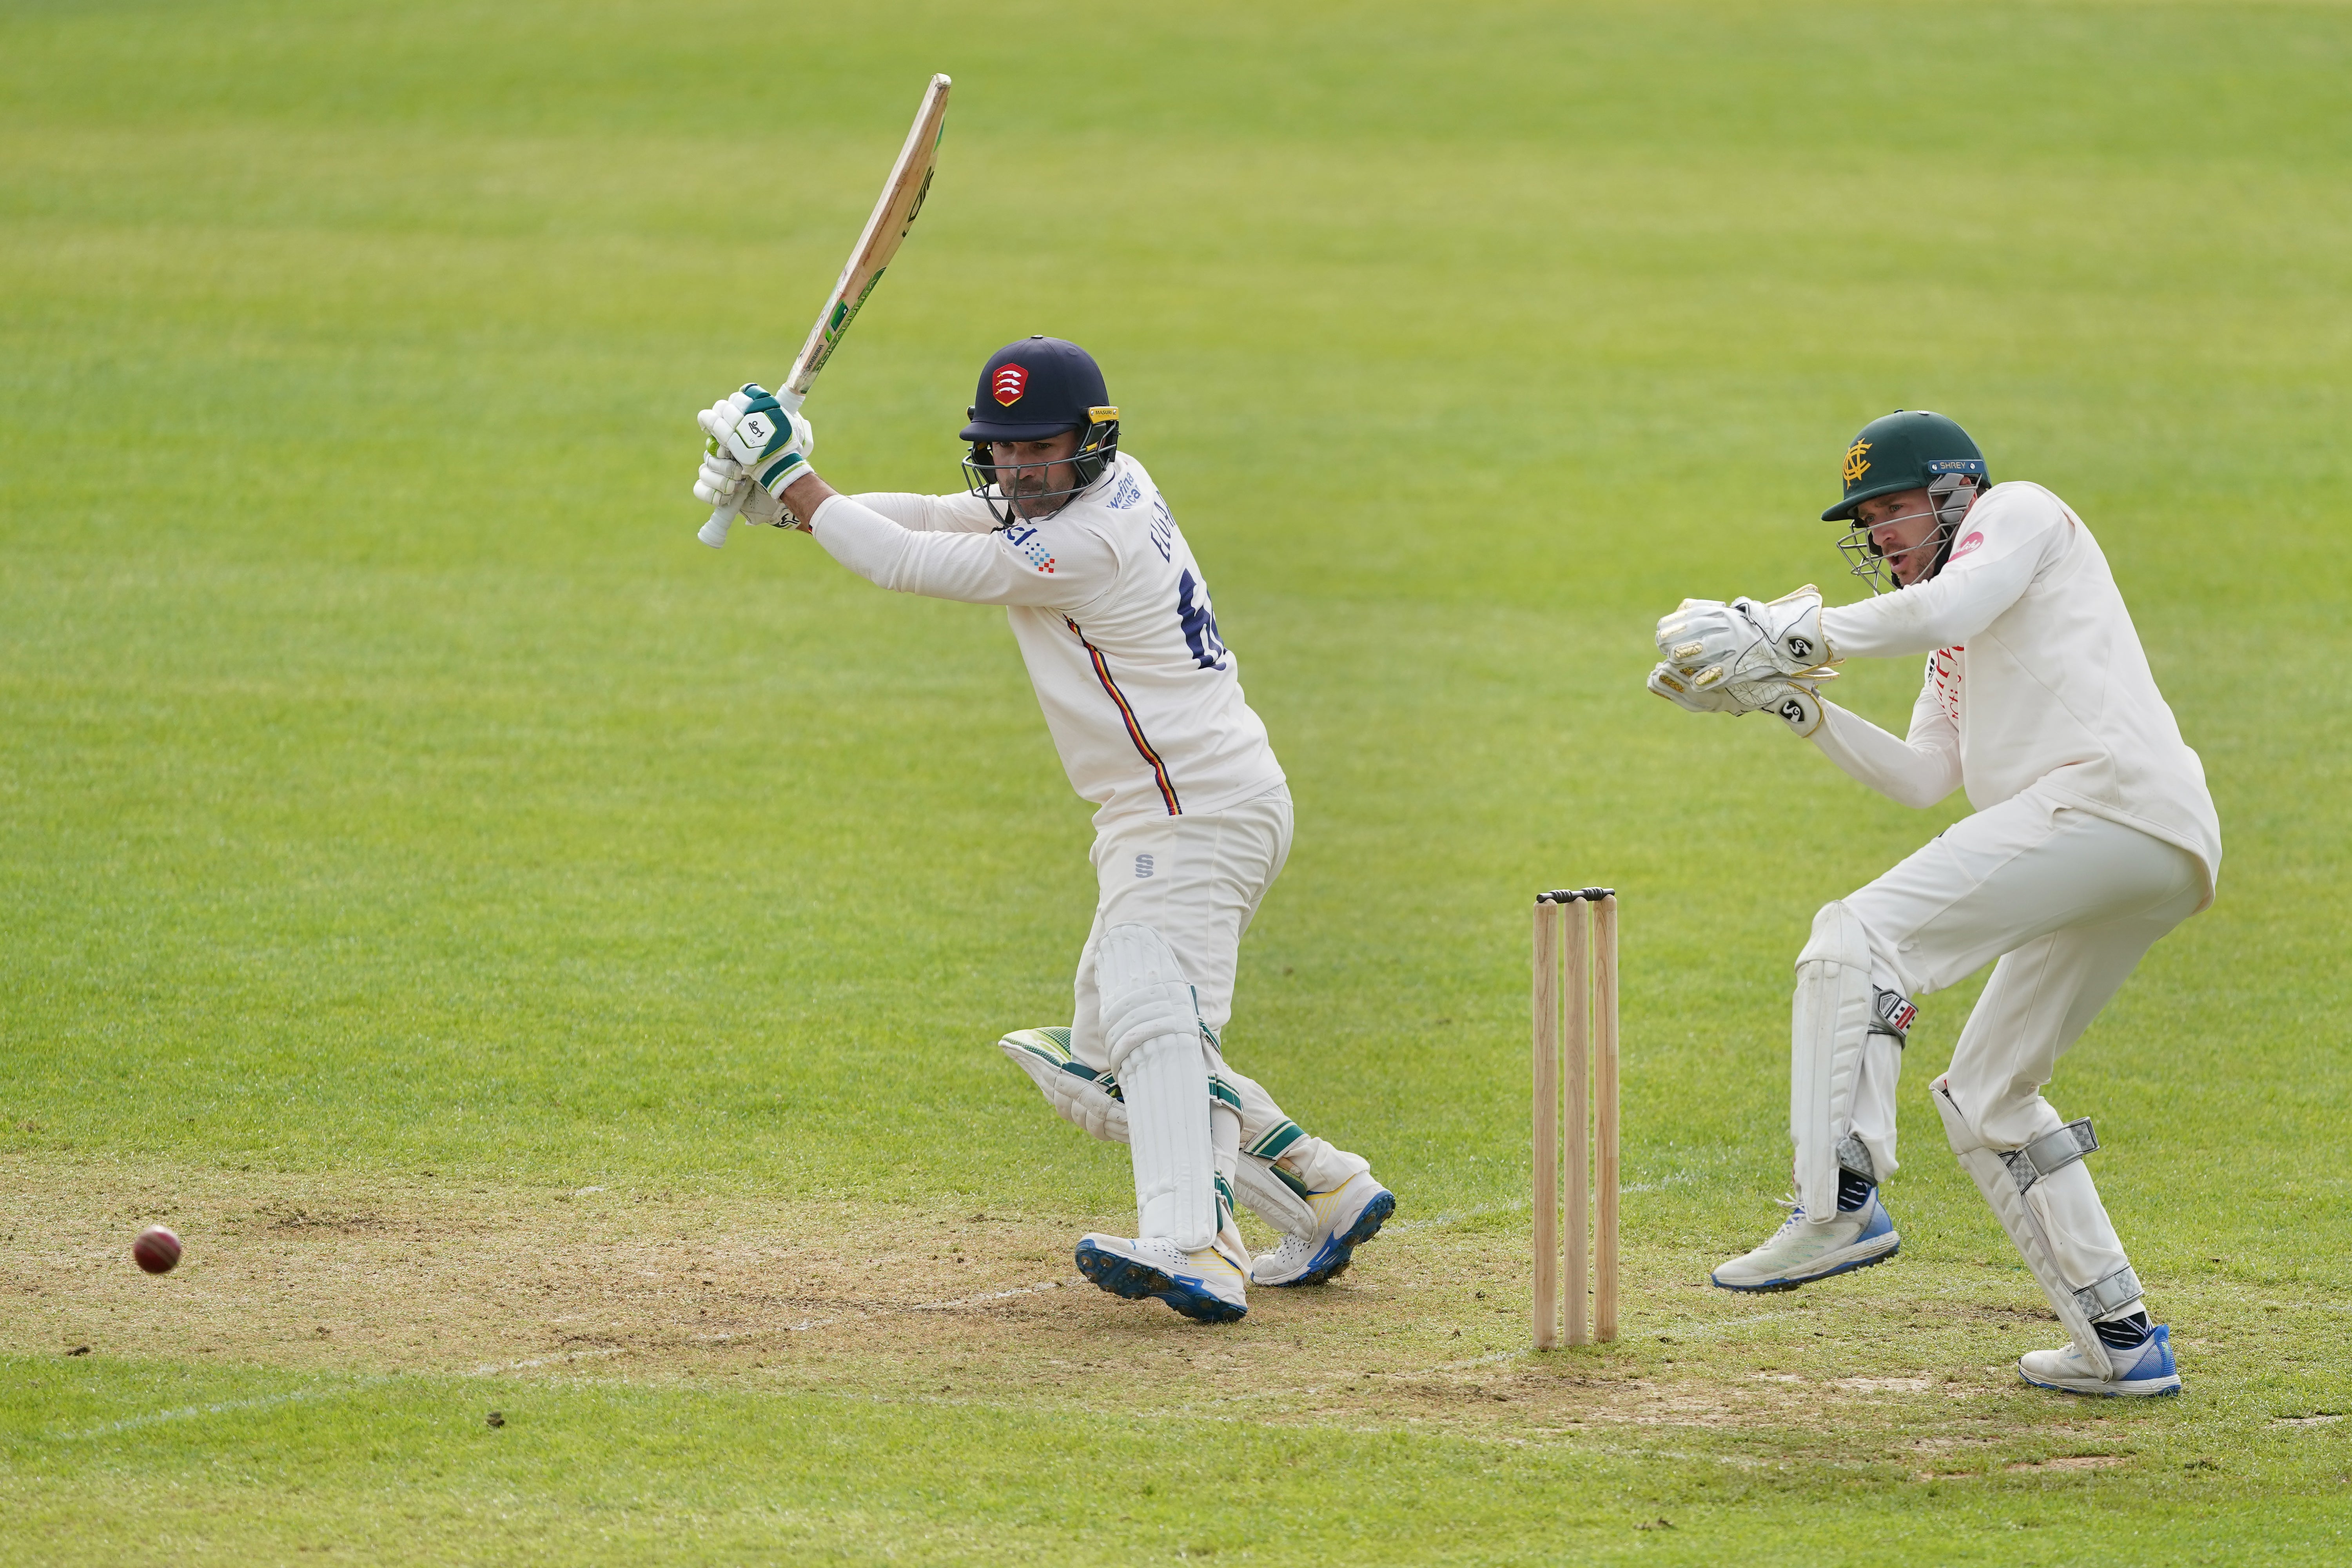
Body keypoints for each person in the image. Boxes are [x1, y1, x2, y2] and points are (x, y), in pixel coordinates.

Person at [689, 336, 1392, 1324]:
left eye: (1040, 447)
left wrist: (793, 478)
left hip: (1194, 809)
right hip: (1185, 802)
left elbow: (906, 564)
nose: (1018, 467)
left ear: (1091, 442)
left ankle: (1199, 1245)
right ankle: (1323, 1190)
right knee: (1108, 1064)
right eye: (1002, 447)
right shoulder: (1076, 495)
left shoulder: (1089, 538)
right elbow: (933, 520)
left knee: (1157, 1015)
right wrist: (789, 500)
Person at [1645, 410, 2221, 1397]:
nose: (1880, 538)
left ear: (1957, 493)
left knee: (1855, 936)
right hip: (2144, 841)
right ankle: (2119, 1338)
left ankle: (1839, 1200)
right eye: (1866, 522)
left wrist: (1793, 631)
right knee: (1990, 1091)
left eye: (1893, 510)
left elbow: (1955, 602)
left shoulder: (2024, 513)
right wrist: (1794, 701)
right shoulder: (1948, 644)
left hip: (2106, 802)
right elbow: (1921, 777)